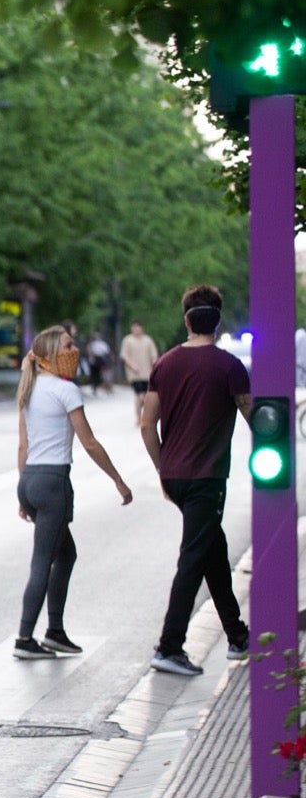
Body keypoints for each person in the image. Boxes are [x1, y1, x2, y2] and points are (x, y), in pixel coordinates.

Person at [139, 285, 252, 677]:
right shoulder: (229, 367)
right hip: (207, 478)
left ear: (187, 320)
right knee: (193, 557)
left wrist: (162, 468)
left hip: (176, 475)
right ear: (217, 322)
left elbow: (146, 424)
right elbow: (256, 417)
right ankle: (169, 646)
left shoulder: (164, 365)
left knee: (212, 553)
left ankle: (238, 637)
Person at [13, 326, 133, 661]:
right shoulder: (66, 391)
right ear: (51, 354)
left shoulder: (30, 389)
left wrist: (23, 494)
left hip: (31, 481)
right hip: (52, 483)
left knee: (66, 555)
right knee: (43, 561)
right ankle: (25, 638)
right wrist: (118, 480)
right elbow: (90, 442)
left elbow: (23, 446)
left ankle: (55, 632)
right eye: (67, 345)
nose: (74, 350)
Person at [120, 322, 160, 427]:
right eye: (134, 327)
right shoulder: (128, 340)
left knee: (146, 396)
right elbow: (125, 356)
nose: (136, 329)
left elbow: (154, 355)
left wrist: (155, 367)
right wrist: (132, 366)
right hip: (134, 374)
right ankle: (138, 416)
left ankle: (145, 415)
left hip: (147, 373)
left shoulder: (148, 340)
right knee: (138, 395)